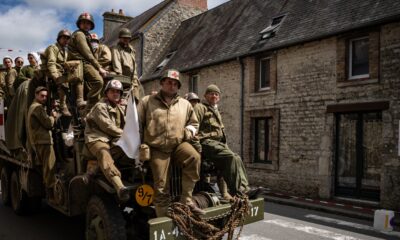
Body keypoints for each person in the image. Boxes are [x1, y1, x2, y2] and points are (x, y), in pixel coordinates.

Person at [137, 69, 204, 217]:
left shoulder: (185, 104)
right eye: (168, 82)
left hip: (178, 145)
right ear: (162, 83)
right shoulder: (147, 101)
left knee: (194, 157)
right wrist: (140, 146)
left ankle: (186, 200)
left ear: (178, 86)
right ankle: (164, 219)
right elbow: (138, 125)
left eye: (175, 83)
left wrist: (187, 132)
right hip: (157, 148)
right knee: (161, 186)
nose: (172, 85)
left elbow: (194, 123)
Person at [194, 84, 261, 199]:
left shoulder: (216, 111)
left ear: (219, 97)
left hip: (217, 144)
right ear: (205, 96)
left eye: (216, 94)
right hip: (206, 142)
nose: (214, 96)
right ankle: (239, 191)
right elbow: (194, 125)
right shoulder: (200, 107)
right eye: (211, 93)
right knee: (230, 157)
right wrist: (196, 146)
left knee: (237, 157)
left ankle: (245, 188)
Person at [84, 79, 130, 201]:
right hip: (96, 138)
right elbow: (108, 127)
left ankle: (95, 169)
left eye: (118, 92)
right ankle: (119, 186)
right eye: (112, 91)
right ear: (107, 93)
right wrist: (128, 136)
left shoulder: (119, 107)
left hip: (111, 139)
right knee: (104, 153)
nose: (116, 94)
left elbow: (126, 124)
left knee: (126, 148)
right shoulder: (100, 106)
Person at [68, 12, 106, 112]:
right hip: (82, 63)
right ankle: (89, 105)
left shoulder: (85, 35)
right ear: (79, 24)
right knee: (99, 82)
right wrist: (99, 67)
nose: (86, 25)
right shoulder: (80, 35)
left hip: (82, 63)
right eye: (83, 22)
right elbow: (87, 53)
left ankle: (89, 104)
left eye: (88, 23)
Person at [27, 86, 57, 198]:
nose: (44, 98)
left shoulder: (33, 106)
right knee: (50, 168)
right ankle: (52, 195)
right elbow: (48, 124)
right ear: (36, 95)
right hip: (44, 142)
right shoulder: (37, 108)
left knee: (46, 168)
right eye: (42, 96)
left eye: (45, 96)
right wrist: (53, 117)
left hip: (39, 142)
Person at [41, 29, 72, 116]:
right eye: (64, 38)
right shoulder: (53, 48)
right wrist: (56, 76)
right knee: (63, 82)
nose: (66, 40)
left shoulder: (65, 50)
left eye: (68, 38)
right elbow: (51, 63)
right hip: (49, 71)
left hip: (60, 70)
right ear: (59, 38)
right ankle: (62, 105)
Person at [111, 28, 143, 101]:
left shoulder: (131, 50)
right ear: (120, 38)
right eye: (124, 38)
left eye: (128, 38)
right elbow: (117, 65)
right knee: (125, 100)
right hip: (123, 79)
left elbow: (134, 66)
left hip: (133, 80)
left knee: (138, 99)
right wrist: (121, 78)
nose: (126, 40)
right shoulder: (116, 49)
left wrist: (135, 79)